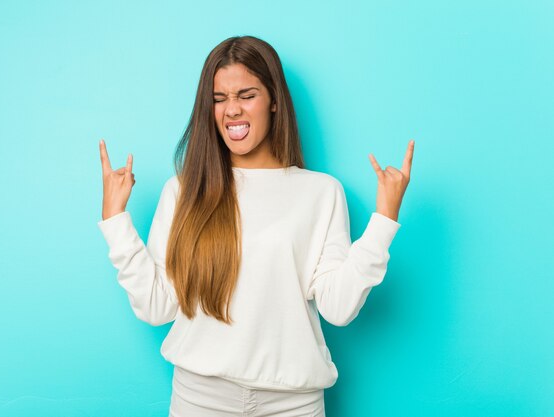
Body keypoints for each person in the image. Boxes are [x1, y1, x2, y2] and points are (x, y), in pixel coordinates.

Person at [97, 35, 414, 417]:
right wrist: (115, 219)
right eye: (219, 99)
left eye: (246, 95)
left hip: (293, 404)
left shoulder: (320, 192)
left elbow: (339, 308)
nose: (231, 110)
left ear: (274, 100)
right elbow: (157, 306)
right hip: (199, 399)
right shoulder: (184, 191)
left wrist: (384, 220)